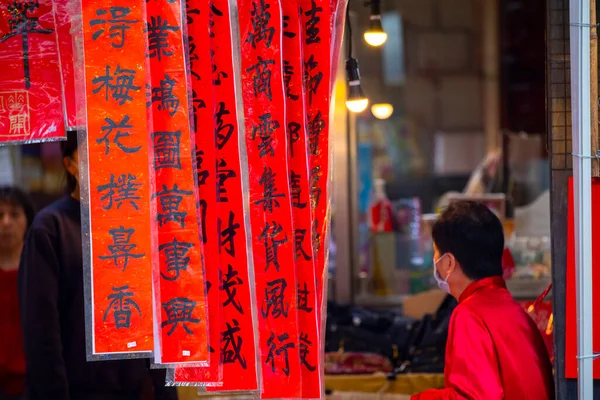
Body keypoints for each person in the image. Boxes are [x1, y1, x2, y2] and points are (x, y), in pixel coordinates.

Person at [18, 132, 178, 400]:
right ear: (70, 165)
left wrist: (166, 390)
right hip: (75, 389)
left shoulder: (133, 225)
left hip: (132, 389)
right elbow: (41, 330)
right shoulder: (50, 227)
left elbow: (154, 319)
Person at [411, 201, 554, 400]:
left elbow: (474, 397)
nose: (434, 259)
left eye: (436, 252)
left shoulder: (469, 315)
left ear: (449, 263)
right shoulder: (515, 311)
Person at [0, 187, 35, 400]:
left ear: (27, 220)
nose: (6, 223)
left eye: (14, 214)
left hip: (30, 380)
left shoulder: (40, 267)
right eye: (0, 215)